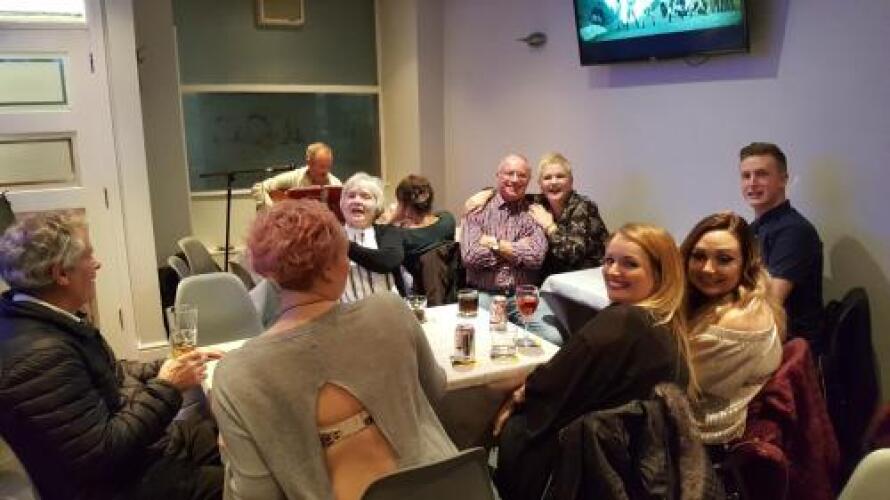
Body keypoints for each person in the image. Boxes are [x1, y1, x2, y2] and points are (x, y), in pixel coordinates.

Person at [212, 200, 456, 500]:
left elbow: (255, 494)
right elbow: (435, 388)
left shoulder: (234, 375)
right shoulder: (390, 311)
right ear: (330, 270)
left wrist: (229, 453)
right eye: (345, 255)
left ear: (270, 274)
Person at [0, 212, 223, 500]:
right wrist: (168, 386)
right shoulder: (41, 357)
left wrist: (168, 366)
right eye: (88, 256)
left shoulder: (40, 319)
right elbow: (104, 454)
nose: (97, 264)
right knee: (255, 482)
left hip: (142, 454)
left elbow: (108, 373)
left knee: (239, 433)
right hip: (122, 485)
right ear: (61, 274)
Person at [492, 223, 693, 500]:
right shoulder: (669, 324)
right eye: (609, 260)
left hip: (577, 468)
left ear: (661, 274)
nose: (613, 271)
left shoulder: (624, 321)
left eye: (630, 264)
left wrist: (520, 394)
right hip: (632, 468)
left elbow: (553, 381)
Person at [680, 212, 785, 445]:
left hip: (701, 438)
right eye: (698, 256)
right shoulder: (738, 295)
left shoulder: (738, 322)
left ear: (746, 264)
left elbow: (672, 380)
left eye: (724, 259)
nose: (708, 269)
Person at [460, 153, 561, 345]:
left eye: (522, 175)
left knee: (553, 338)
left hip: (523, 295)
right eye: (509, 173)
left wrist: (494, 243)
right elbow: (470, 256)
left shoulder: (535, 212)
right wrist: (519, 247)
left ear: (529, 180)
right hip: (484, 294)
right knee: (477, 341)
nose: (515, 179)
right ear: (498, 175)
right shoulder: (477, 209)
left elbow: (536, 258)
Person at [465, 152, 609, 279]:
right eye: (547, 178)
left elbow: (572, 256)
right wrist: (486, 193)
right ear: (540, 184)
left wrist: (550, 227)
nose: (553, 182)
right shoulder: (539, 202)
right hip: (554, 282)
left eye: (560, 176)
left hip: (589, 280)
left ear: (571, 181)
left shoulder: (583, 206)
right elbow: (511, 190)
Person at [739, 142, 824, 347]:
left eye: (761, 174)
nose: (752, 183)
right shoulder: (753, 229)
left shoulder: (794, 231)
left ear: (783, 180)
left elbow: (770, 303)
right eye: (746, 176)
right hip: (765, 338)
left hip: (790, 346)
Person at [340, 172, 406, 302]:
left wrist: (345, 245)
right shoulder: (329, 236)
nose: (357, 201)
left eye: (365, 196)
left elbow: (388, 261)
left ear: (377, 206)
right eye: (351, 196)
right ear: (342, 204)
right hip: (347, 311)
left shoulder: (388, 232)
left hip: (388, 308)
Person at [387, 174, 456, 291]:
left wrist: (395, 217)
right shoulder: (447, 220)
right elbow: (434, 217)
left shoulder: (401, 235)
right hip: (452, 287)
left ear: (403, 205)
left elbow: (384, 235)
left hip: (420, 294)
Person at [252, 142, 342, 207]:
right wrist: (272, 210)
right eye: (322, 166)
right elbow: (260, 187)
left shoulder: (336, 185)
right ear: (309, 163)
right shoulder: (296, 177)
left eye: (328, 166)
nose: (326, 171)